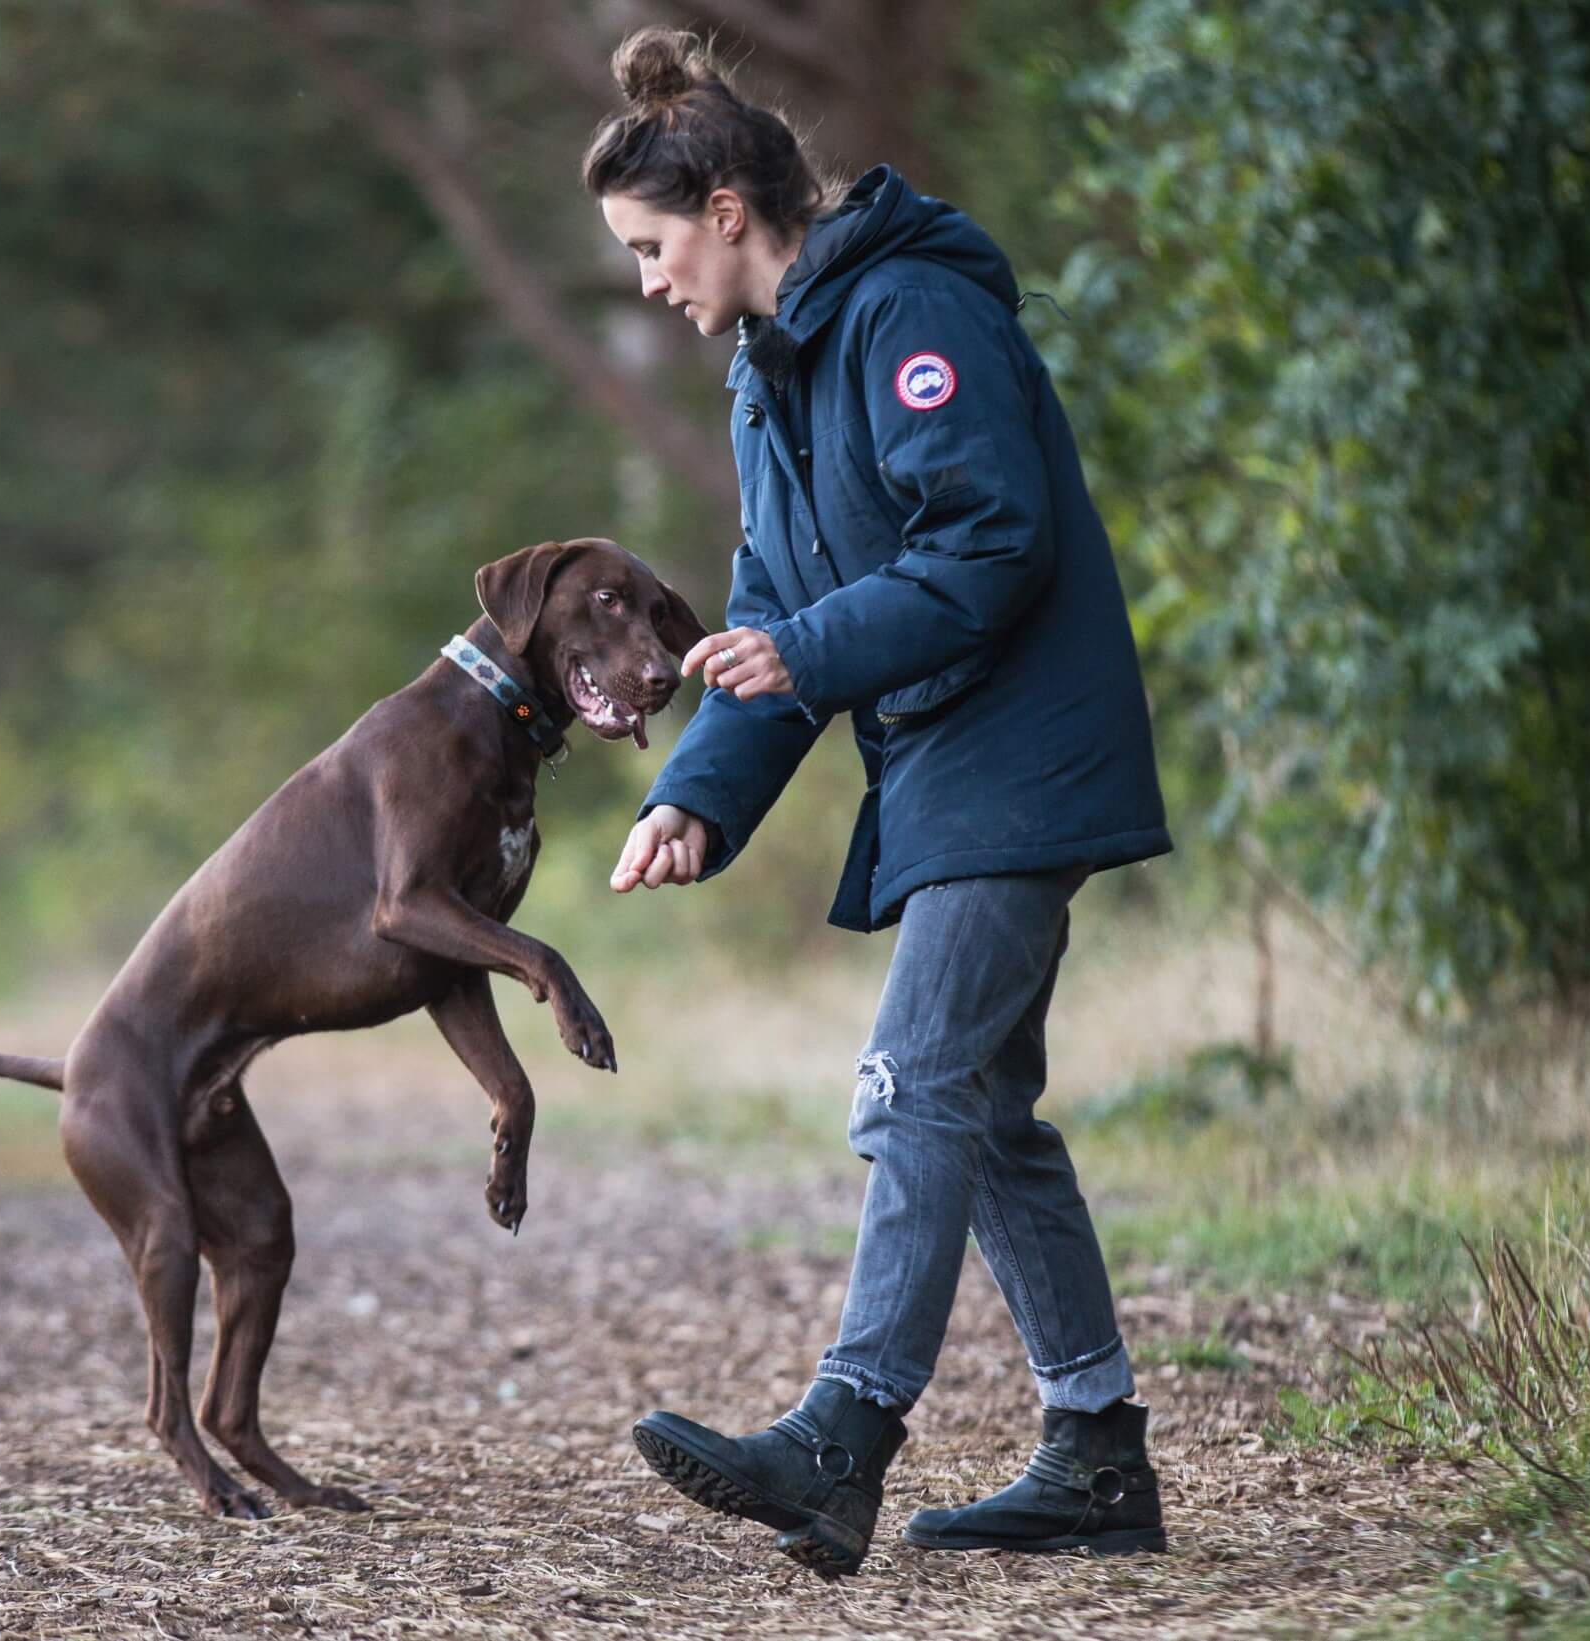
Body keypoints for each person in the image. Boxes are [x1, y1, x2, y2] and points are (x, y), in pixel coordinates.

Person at [582, 28, 1175, 1578]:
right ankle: (1098, 1454)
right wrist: (703, 793)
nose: (647, 281)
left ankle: (840, 1439)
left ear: (726, 208)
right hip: (942, 760)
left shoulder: (912, 308)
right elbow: (773, 609)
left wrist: (802, 650)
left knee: (913, 1084)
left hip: (1022, 750)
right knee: (981, 1109)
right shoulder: (765, 382)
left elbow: (993, 542)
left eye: (651, 248)